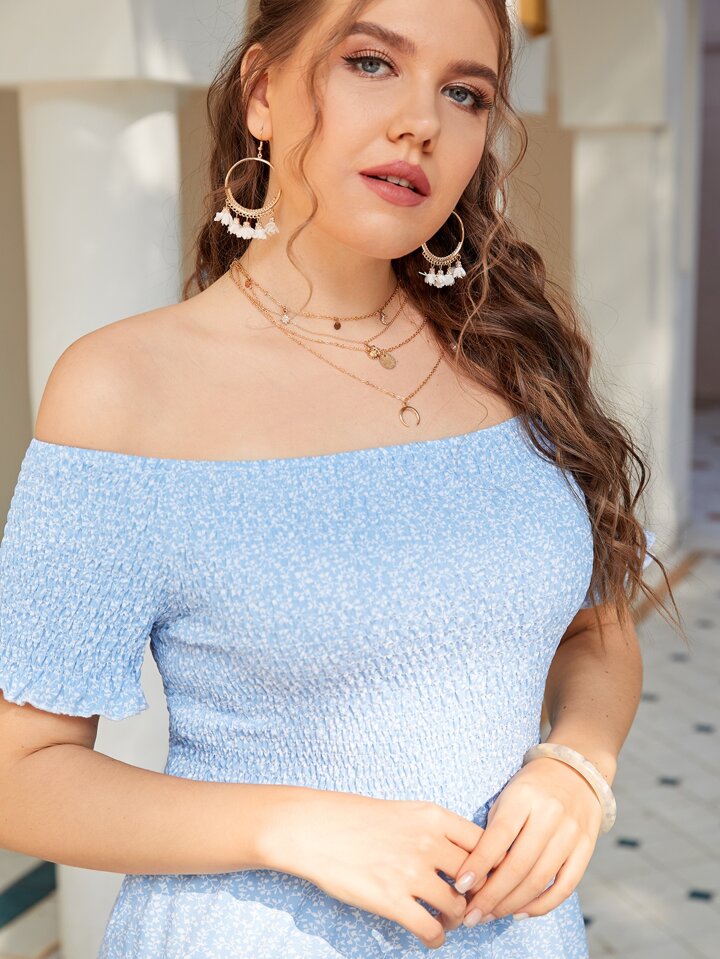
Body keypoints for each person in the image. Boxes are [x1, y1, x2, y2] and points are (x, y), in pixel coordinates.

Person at [0, 0, 683, 956]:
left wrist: (577, 763)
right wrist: (291, 824)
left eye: (465, 93)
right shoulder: (125, 388)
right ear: (262, 91)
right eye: (371, 63)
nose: (421, 121)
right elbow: (22, 773)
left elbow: (595, 624)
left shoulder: (512, 355)